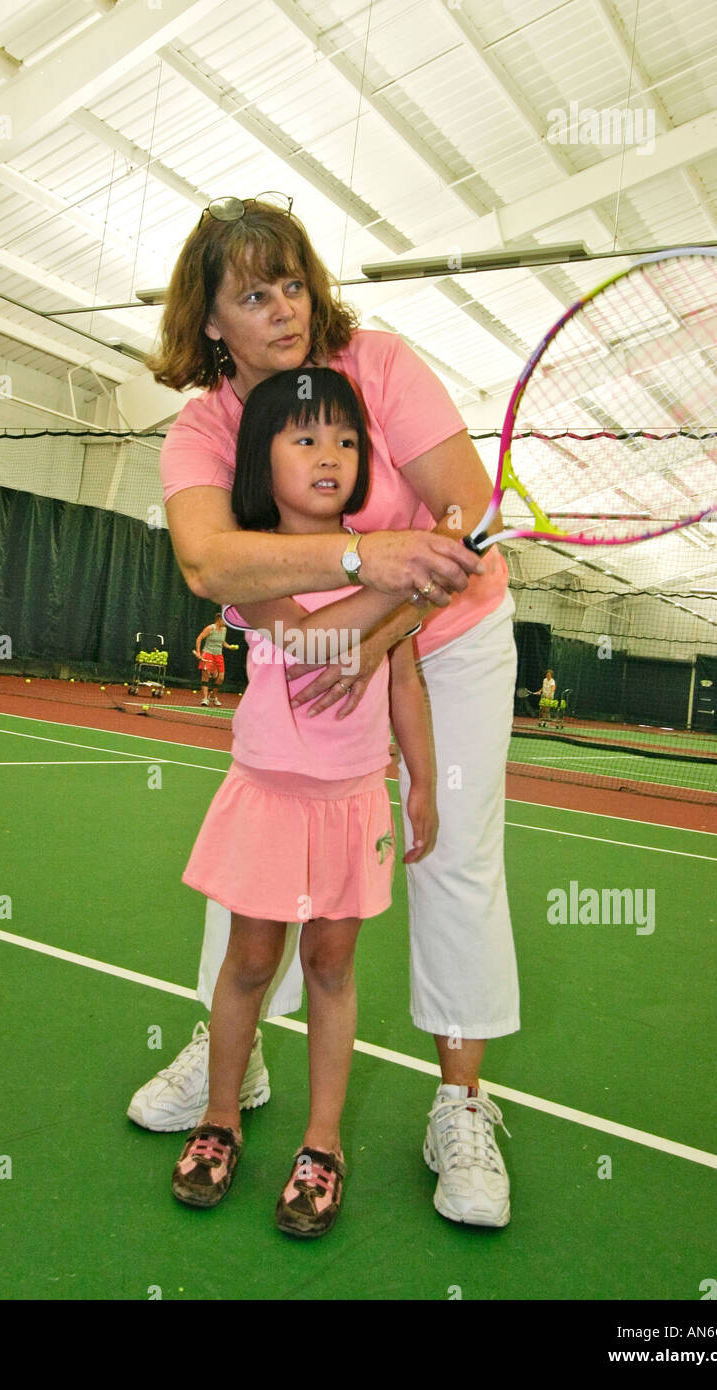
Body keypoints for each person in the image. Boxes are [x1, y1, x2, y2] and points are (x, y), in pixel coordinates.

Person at [129, 194, 519, 1229]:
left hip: (450, 634)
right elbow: (211, 558)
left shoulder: (378, 366)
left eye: (291, 282)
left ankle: (460, 1105)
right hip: (320, 645)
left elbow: (465, 513)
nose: (282, 308)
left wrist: (377, 636)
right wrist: (367, 558)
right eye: (251, 294)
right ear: (209, 320)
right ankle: (236, 1065)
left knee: (449, 856)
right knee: (251, 879)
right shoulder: (205, 427)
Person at [171, 368, 437, 1236]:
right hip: (270, 799)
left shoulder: (392, 555)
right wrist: (399, 588)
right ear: (262, 457)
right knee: (249, 961)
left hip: (353, 803)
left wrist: (423, 781)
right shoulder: (251, 563)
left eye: (348, 441)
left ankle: (322, 1144)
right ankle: (220, 1118)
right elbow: (315, 639)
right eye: (306, 439)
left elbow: (402, 676)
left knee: (330, 966)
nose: (332, 456)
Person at [194, 614, 238, 706]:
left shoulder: (224, 630)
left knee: (220, 678)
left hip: (218, 655)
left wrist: (230, 647)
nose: (227, 623)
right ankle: (205, 698)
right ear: (219, 619)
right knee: (205, 676)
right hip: (208, 654)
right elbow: (199, 638)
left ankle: (213, 696)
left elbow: (222, 642)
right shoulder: (210, 628)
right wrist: (198, 652)